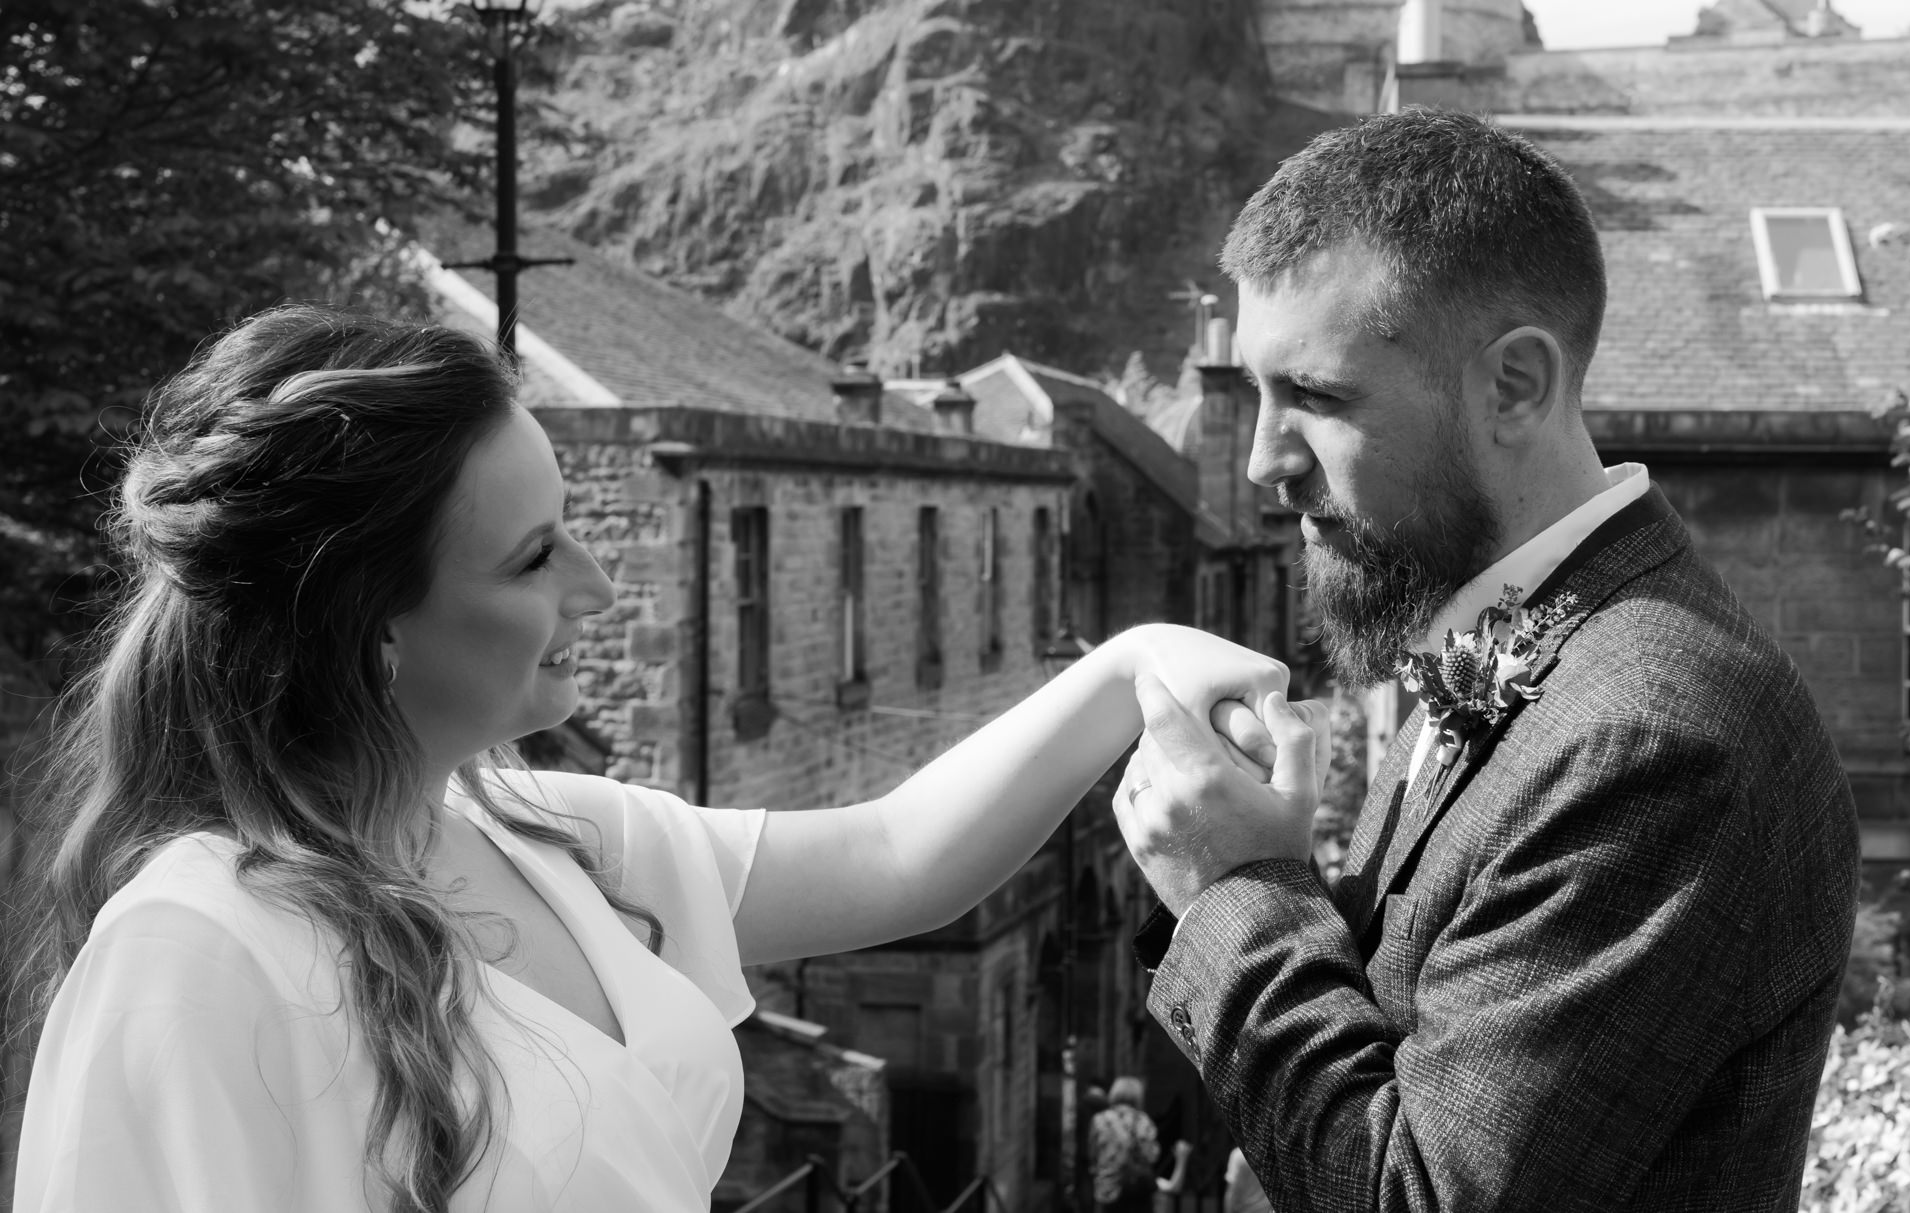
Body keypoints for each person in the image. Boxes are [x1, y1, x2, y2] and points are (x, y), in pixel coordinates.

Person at [8, 305, 1301, 1213]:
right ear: (370, 627)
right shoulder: (189, 955)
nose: (595, 582)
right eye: (530, 557)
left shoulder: (532, 828)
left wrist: (1131, 664)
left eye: (568, 525)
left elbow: (892, 857)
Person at [1113, 109, 1861, 1211]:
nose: (1267, 460)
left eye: (1315, 398)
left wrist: (1234, 890)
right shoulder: (1503, 627)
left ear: (1513, 386)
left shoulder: (1655, 742)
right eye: (1257, 393)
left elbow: (1421, 1193)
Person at [1088, 1076, 1160, 1213]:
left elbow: (1092, 1156)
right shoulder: (1143, 1120)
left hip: (1107, 1188)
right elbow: (1151, 1156)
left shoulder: (1099, 1120)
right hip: (1138, 1190)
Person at [1222, 1147, 1271, 1213]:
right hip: (1266, 1210)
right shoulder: (1268, 1153)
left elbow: (1231, 1192)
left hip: (1245, 1210)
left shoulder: (1238, 1155)